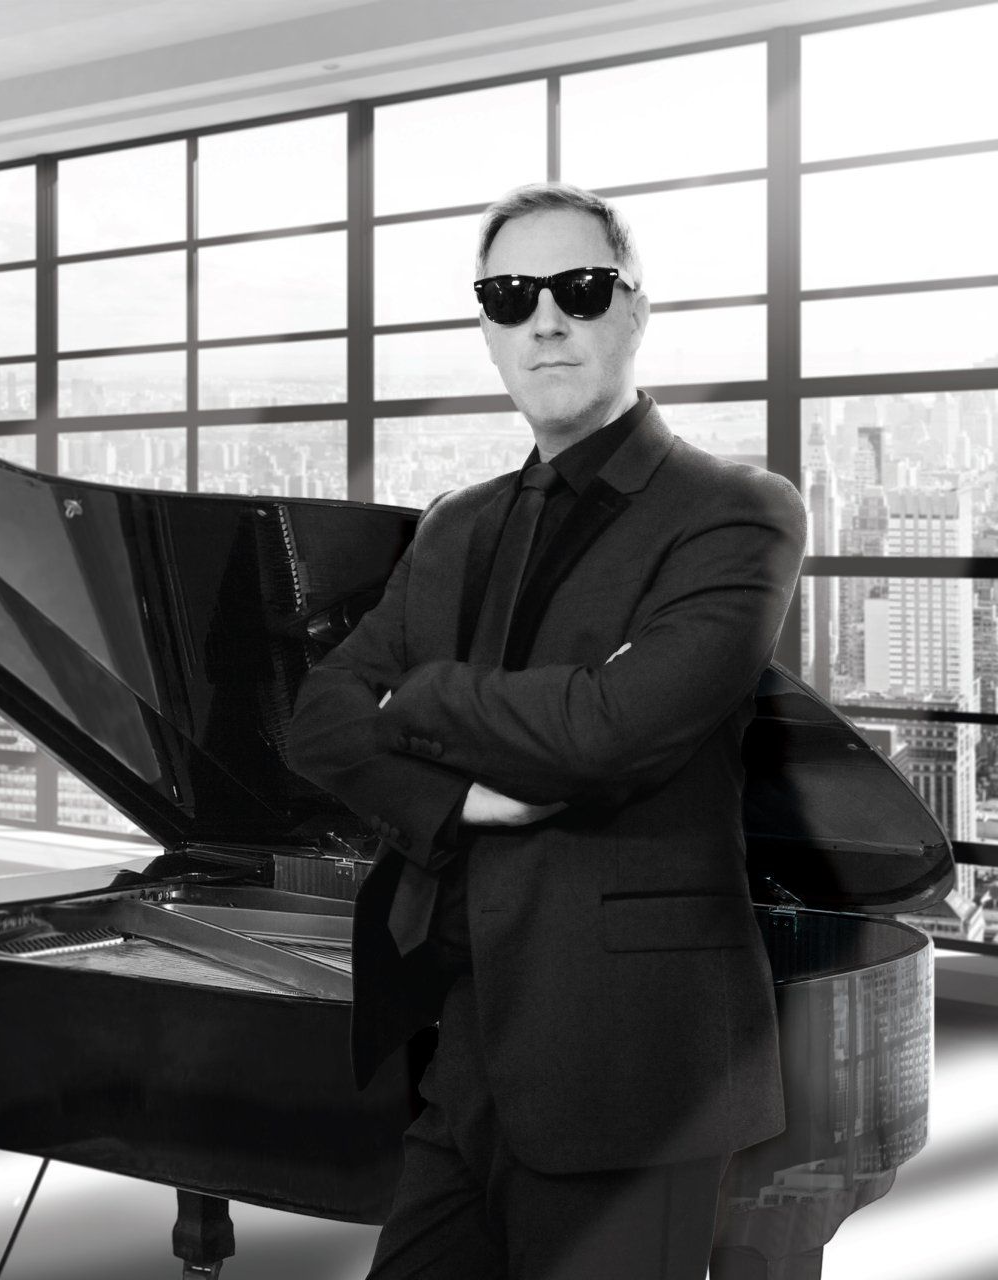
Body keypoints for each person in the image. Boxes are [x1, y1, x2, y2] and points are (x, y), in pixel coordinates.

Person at [287, 182, 805, 1279]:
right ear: (488, 330)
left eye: (581, 288)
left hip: (634, 1065)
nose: (547, 321)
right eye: (511, 296)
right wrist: (461, 796)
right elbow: (321, 717)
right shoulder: (454, 524)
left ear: (636, 309)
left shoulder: (738, 509)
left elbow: (606, 732)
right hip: (465, 1046)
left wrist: (415, 696)